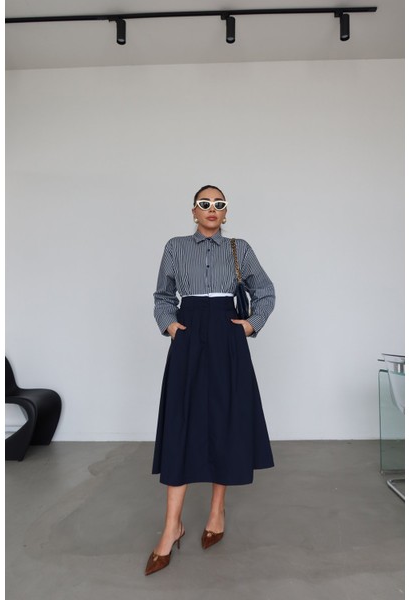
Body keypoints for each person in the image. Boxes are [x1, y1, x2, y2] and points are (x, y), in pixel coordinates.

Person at [145, 185, 275, 576]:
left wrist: (249, 325)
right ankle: (172, 525)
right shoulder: (175, 247)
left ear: (225, 212)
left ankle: (217, 511)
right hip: (188, 337)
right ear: (193, 211)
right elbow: (163, 295)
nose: (212, 209)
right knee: (182, 422)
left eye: (219, 204)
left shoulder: (239, 248)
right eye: (205, 204)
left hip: (226, 337)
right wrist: (171, 327)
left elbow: (265, 291)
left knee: (225, 419)